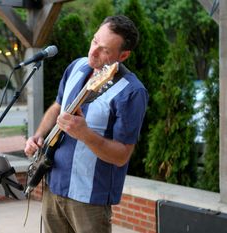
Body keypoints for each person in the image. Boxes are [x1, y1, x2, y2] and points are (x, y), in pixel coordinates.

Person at [24, 15, 148, 233]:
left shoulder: (132, 92)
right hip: (53, 185)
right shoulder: (77, 66)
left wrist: (85, 134)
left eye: (105, 50)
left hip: (90, 199)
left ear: (123, 55)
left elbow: (121, 156)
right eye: (94, 41)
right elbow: (58, 106)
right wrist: (38, 135)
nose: (93, 52)